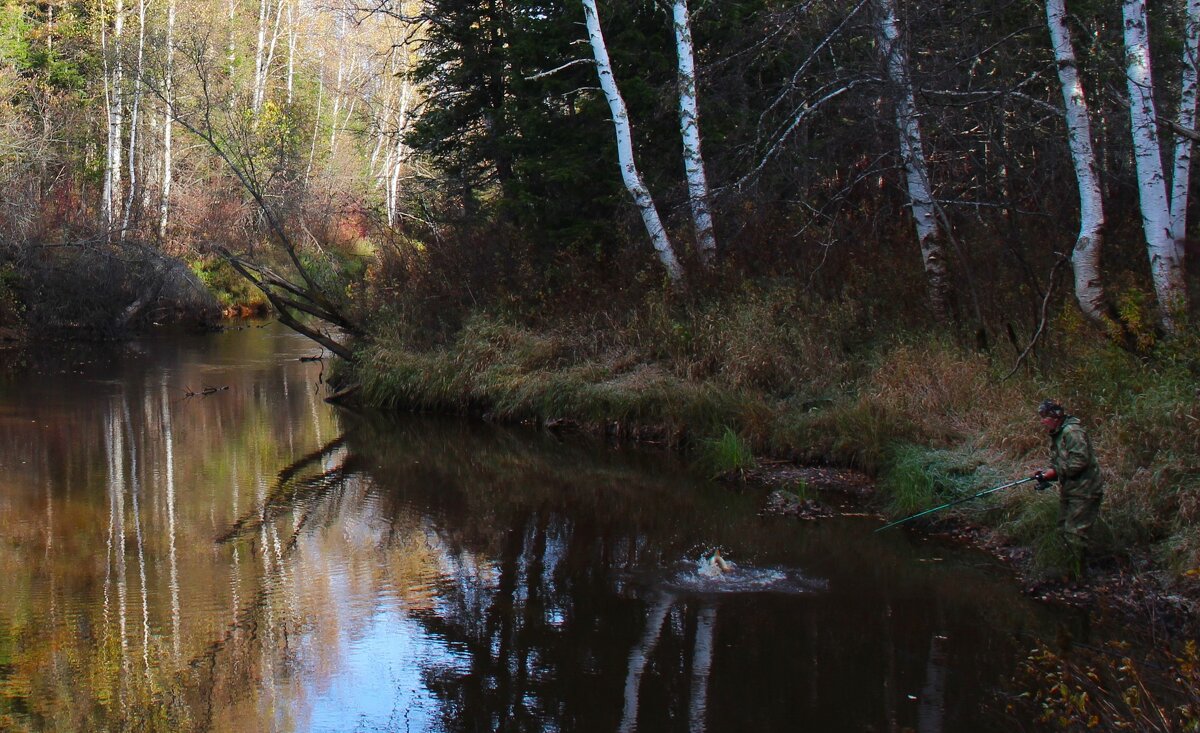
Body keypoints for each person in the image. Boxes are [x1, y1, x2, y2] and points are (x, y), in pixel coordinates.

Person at [1032, 399, 1104, 568]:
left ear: (1055, 417)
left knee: (1075, 534)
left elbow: (1080, 461)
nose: (1042, 421)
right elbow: (1063, 461)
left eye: (1044, 417)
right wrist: (1046, 474)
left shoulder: (1072, 432)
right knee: (1062, 529)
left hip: (1085, 490)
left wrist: (1055, 472)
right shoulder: (1059, 433)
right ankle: (1065, 566)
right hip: (1071, 488)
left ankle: (1076, 572)